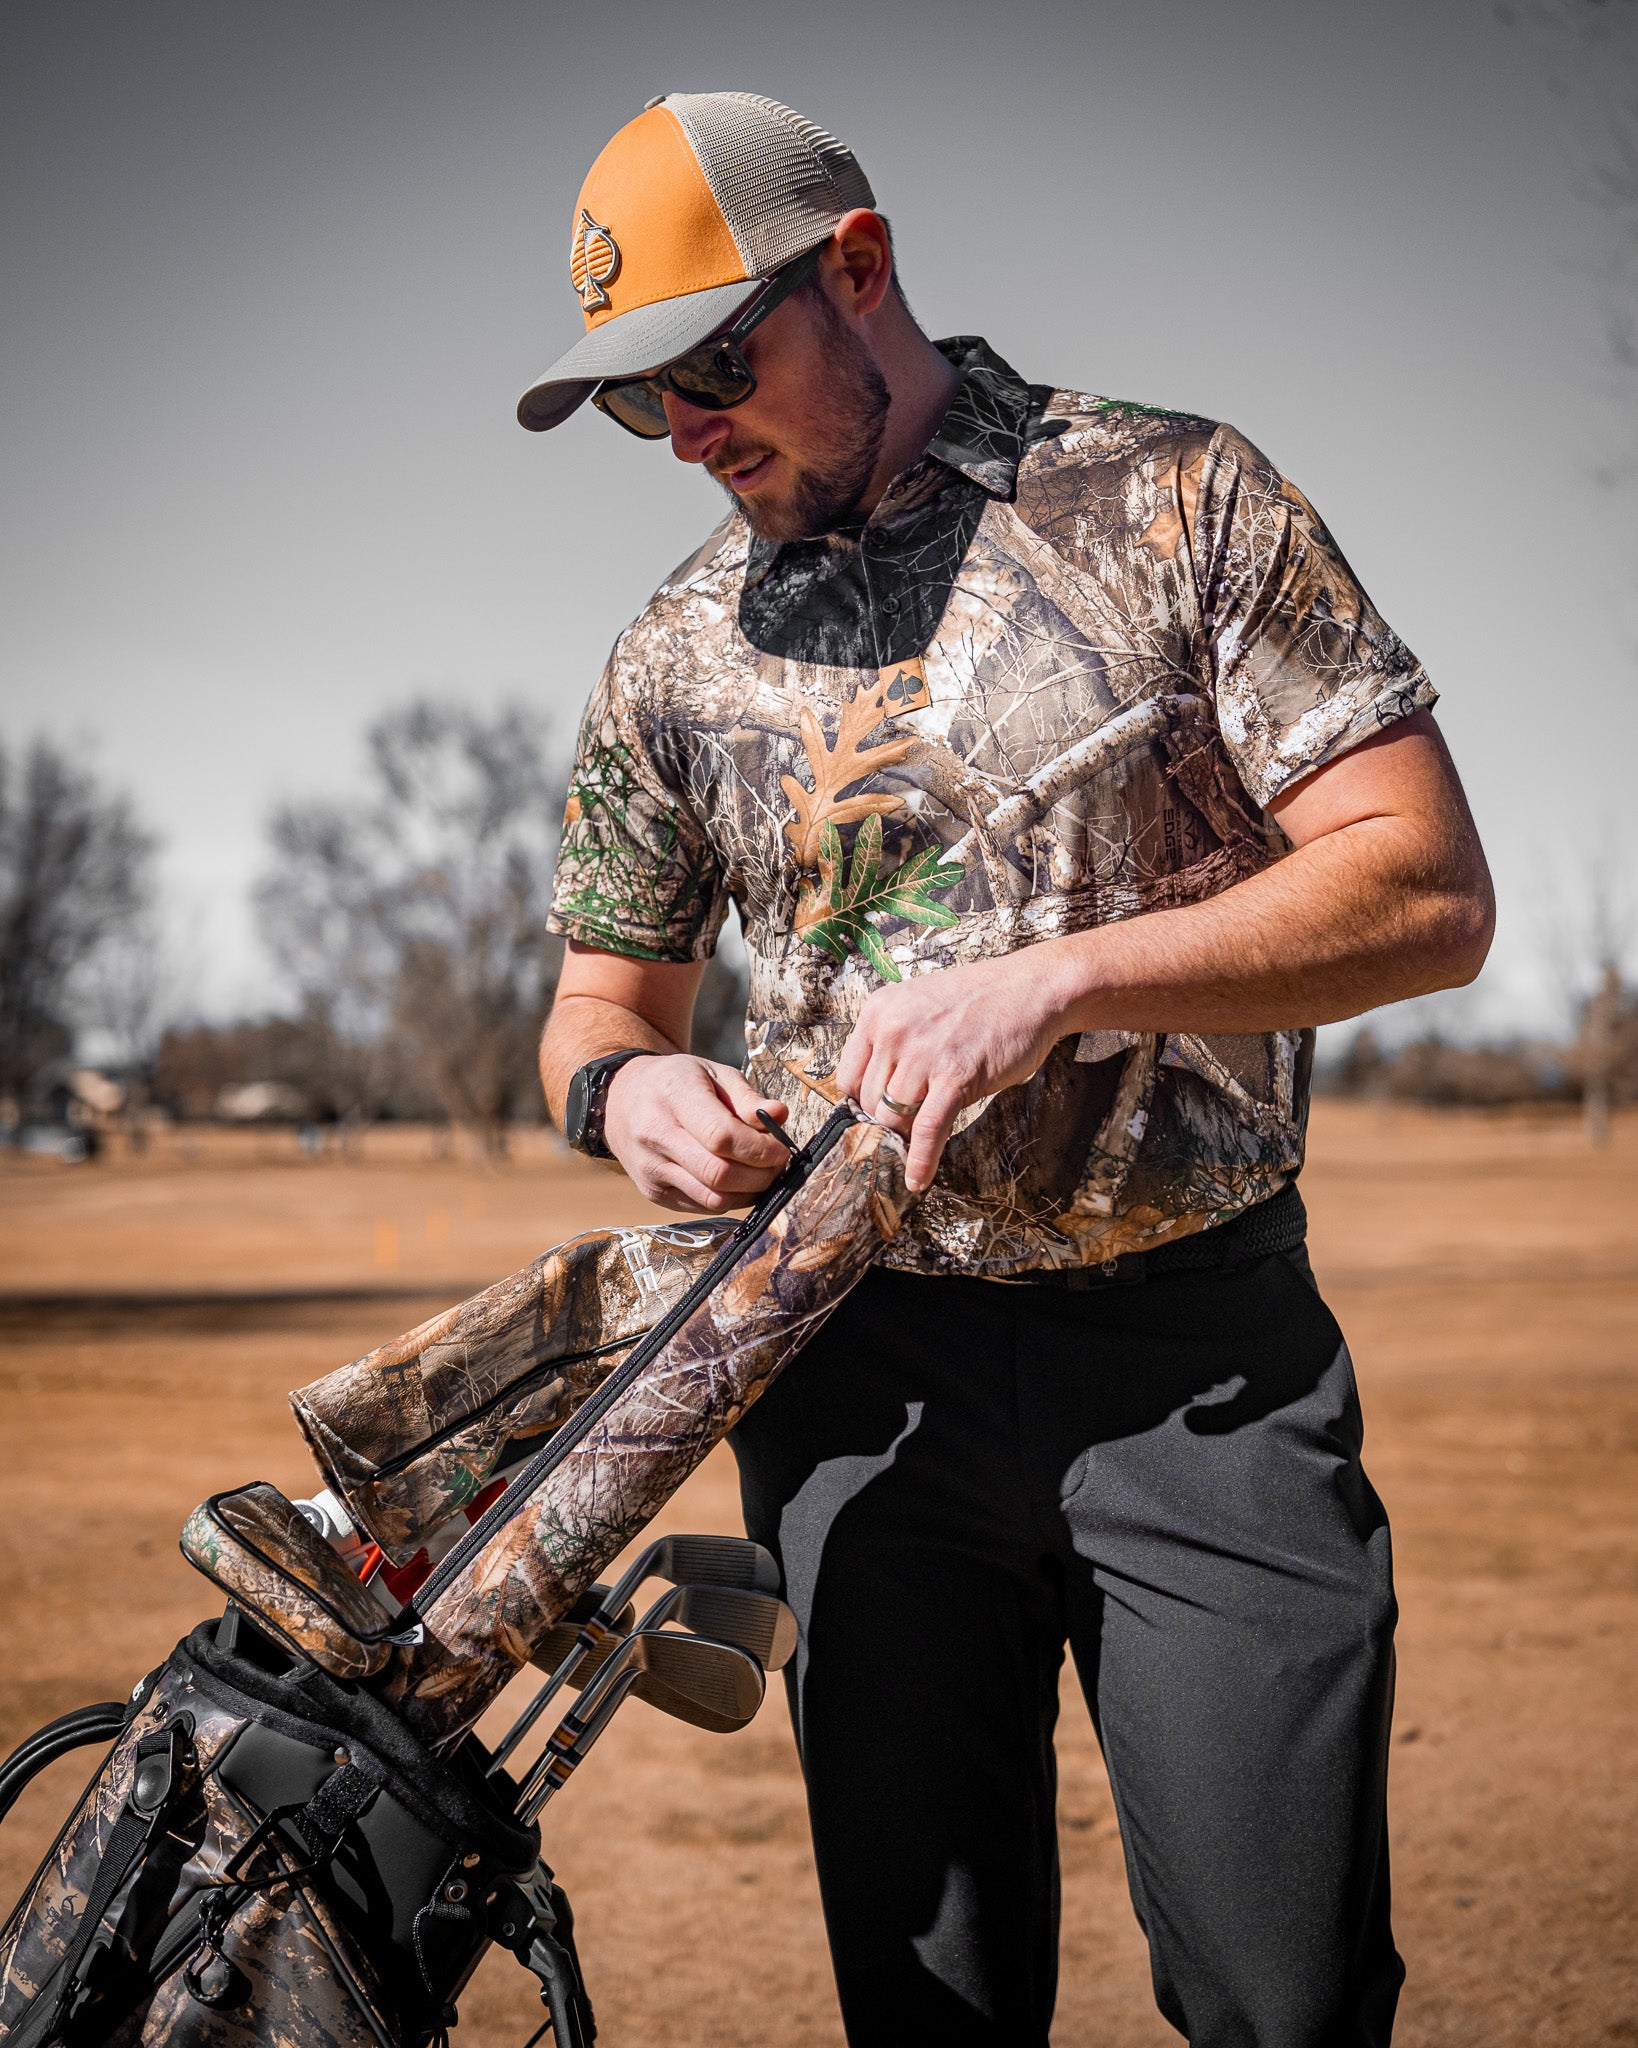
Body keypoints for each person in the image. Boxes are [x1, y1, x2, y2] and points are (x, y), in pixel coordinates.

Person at [527, 92, 1493, 2048]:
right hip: (851, 1388)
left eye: (713, 364)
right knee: (932, 2014)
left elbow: (1430, 891)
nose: (691, 431)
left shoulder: (1180, 498)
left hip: (1200, 1376)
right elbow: (596, 1011)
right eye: (641, 404)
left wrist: (1062, 979)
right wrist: (629, 1099)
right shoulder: (668, 658)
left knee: (1288, 1998)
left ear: (860, 269)